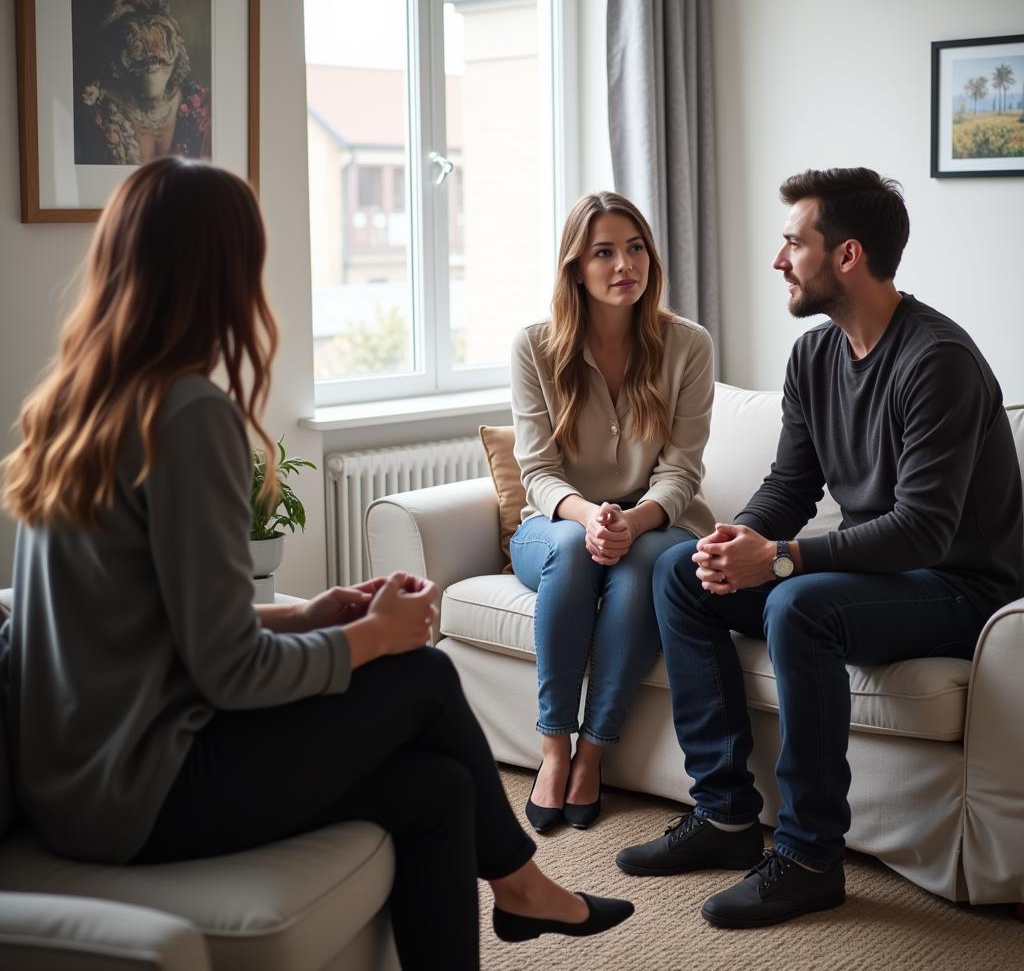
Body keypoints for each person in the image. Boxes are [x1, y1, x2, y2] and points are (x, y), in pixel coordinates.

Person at [0, 158, 634, 970]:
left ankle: (518, 888)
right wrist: (374, 637)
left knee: (439, 793)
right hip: (144, 789)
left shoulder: (72, 402)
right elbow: (230, 673)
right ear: (225, 270)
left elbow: (151, 620)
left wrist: (310, 614)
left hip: (75, 785)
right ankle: (523, 884)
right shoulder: (186, 414)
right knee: (422, 677)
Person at [615, 167, 1023, 928]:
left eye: (792, 243)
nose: (778, 261)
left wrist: (781, 559)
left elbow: (923, 530)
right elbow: (792, 488)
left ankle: (808, 857)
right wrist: (738, 537)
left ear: (847, 256)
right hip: (884, 575)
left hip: (962, 589)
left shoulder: (938, 361)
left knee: (801, 605)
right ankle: (727, 814)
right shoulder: (814, 357)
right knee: (679, 569)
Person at [510, 191, 715, 833]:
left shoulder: (689, 345)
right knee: (574, 550)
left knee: (647, 566)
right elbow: (537, 471)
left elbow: (681, 469)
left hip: (653, 521)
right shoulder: (536, 347)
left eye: (635, 249)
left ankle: (593, 752)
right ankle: (553, 749)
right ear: (576, 267)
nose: (624, 264)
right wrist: (587, 514)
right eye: (604, 252)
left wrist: (634, 519)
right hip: (557, 525)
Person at [76, 0, 210, 165]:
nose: (153, 58)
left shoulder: (201, 105)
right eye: (139, 53)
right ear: (123, 60)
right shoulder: (99, 108)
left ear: (178, 56)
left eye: (163, 49)